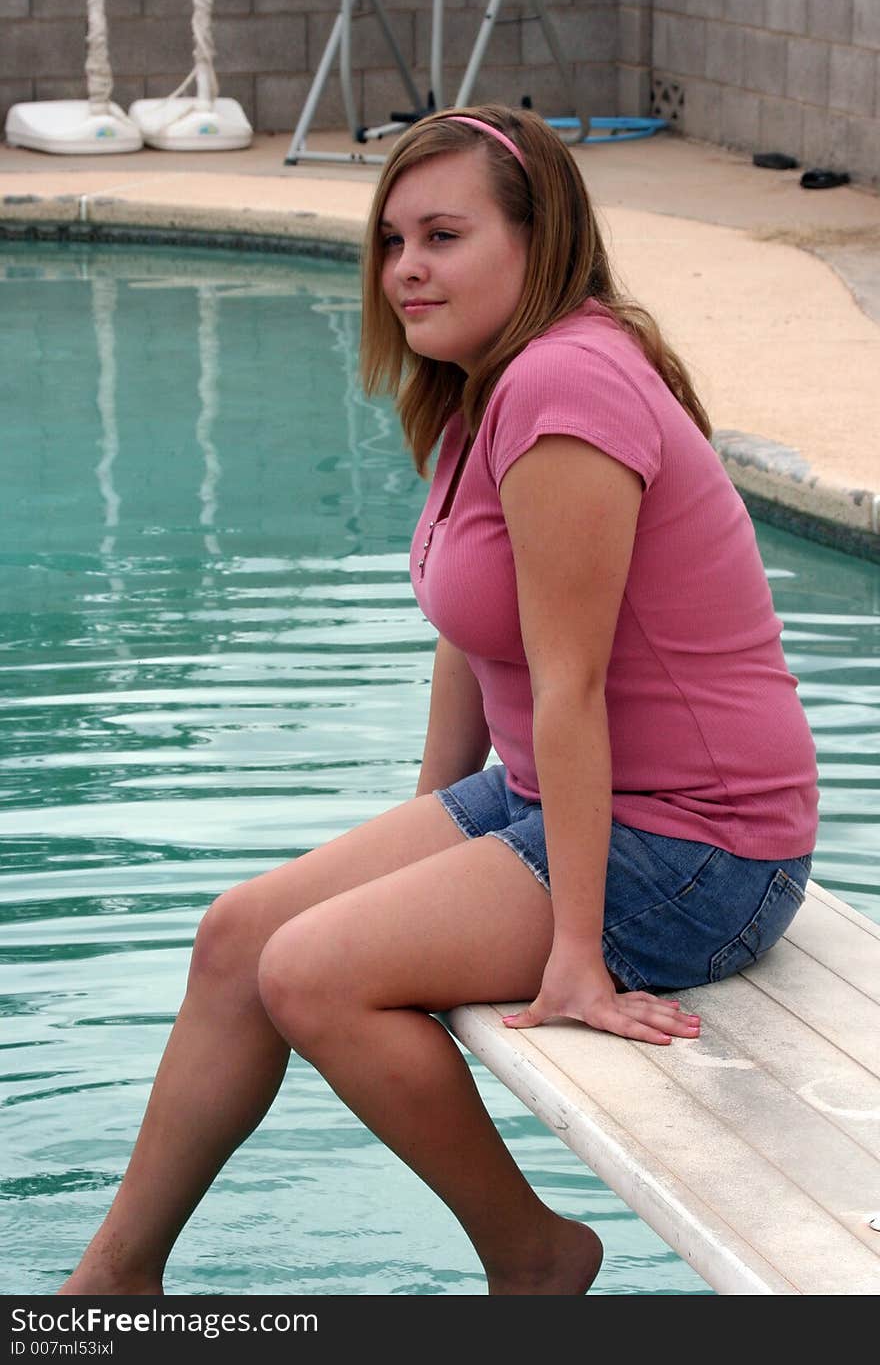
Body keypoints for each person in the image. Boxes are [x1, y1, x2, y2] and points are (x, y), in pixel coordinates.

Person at [59, 104, 818, 1298]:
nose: (406, 268)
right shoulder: (487, 382)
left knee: (310, 971)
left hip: (695, 845)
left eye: (444, 235)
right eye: (391, 239)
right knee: (233, 939)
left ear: (536, 240)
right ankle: (109, 1288)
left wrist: (574, 955)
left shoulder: (564, 388)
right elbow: (476, 632)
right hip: (555, 800)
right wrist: (427, 833)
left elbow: (567, 686)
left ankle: (533, 1258)